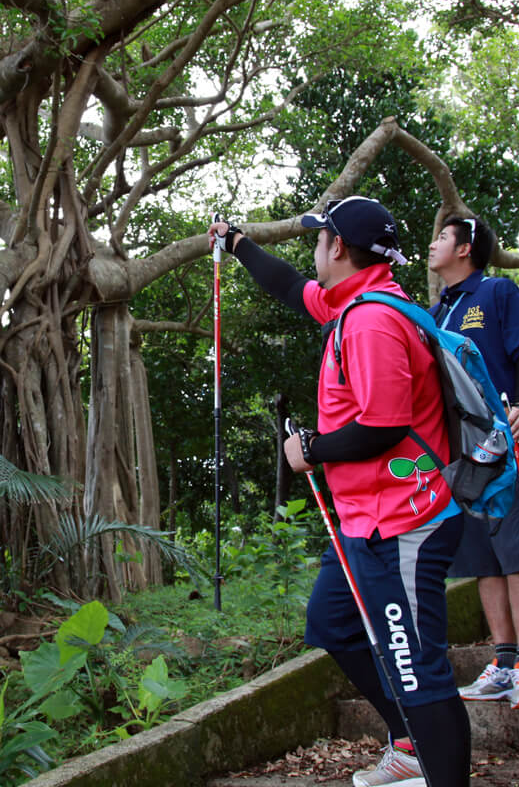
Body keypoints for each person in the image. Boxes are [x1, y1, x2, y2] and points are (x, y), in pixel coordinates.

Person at [211, 196, 469, 787]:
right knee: (332, 626)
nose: (314, 247)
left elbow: (383, 423)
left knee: (416, 668)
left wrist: (312, 450)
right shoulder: (350, 300)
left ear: (339, 248)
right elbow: (290, 287)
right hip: (362, 521)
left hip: (403, 521)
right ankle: (407, 743)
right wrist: (237, 242)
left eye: (320, 237)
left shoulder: (374, 320)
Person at [425, 214, 519, 711]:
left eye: (442, 237)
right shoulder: (435, 311)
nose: (433, 244)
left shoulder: (500, 293)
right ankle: (502, 664)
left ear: (466, 249)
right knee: (481, 558)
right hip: (460, 453)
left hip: (505, 439)